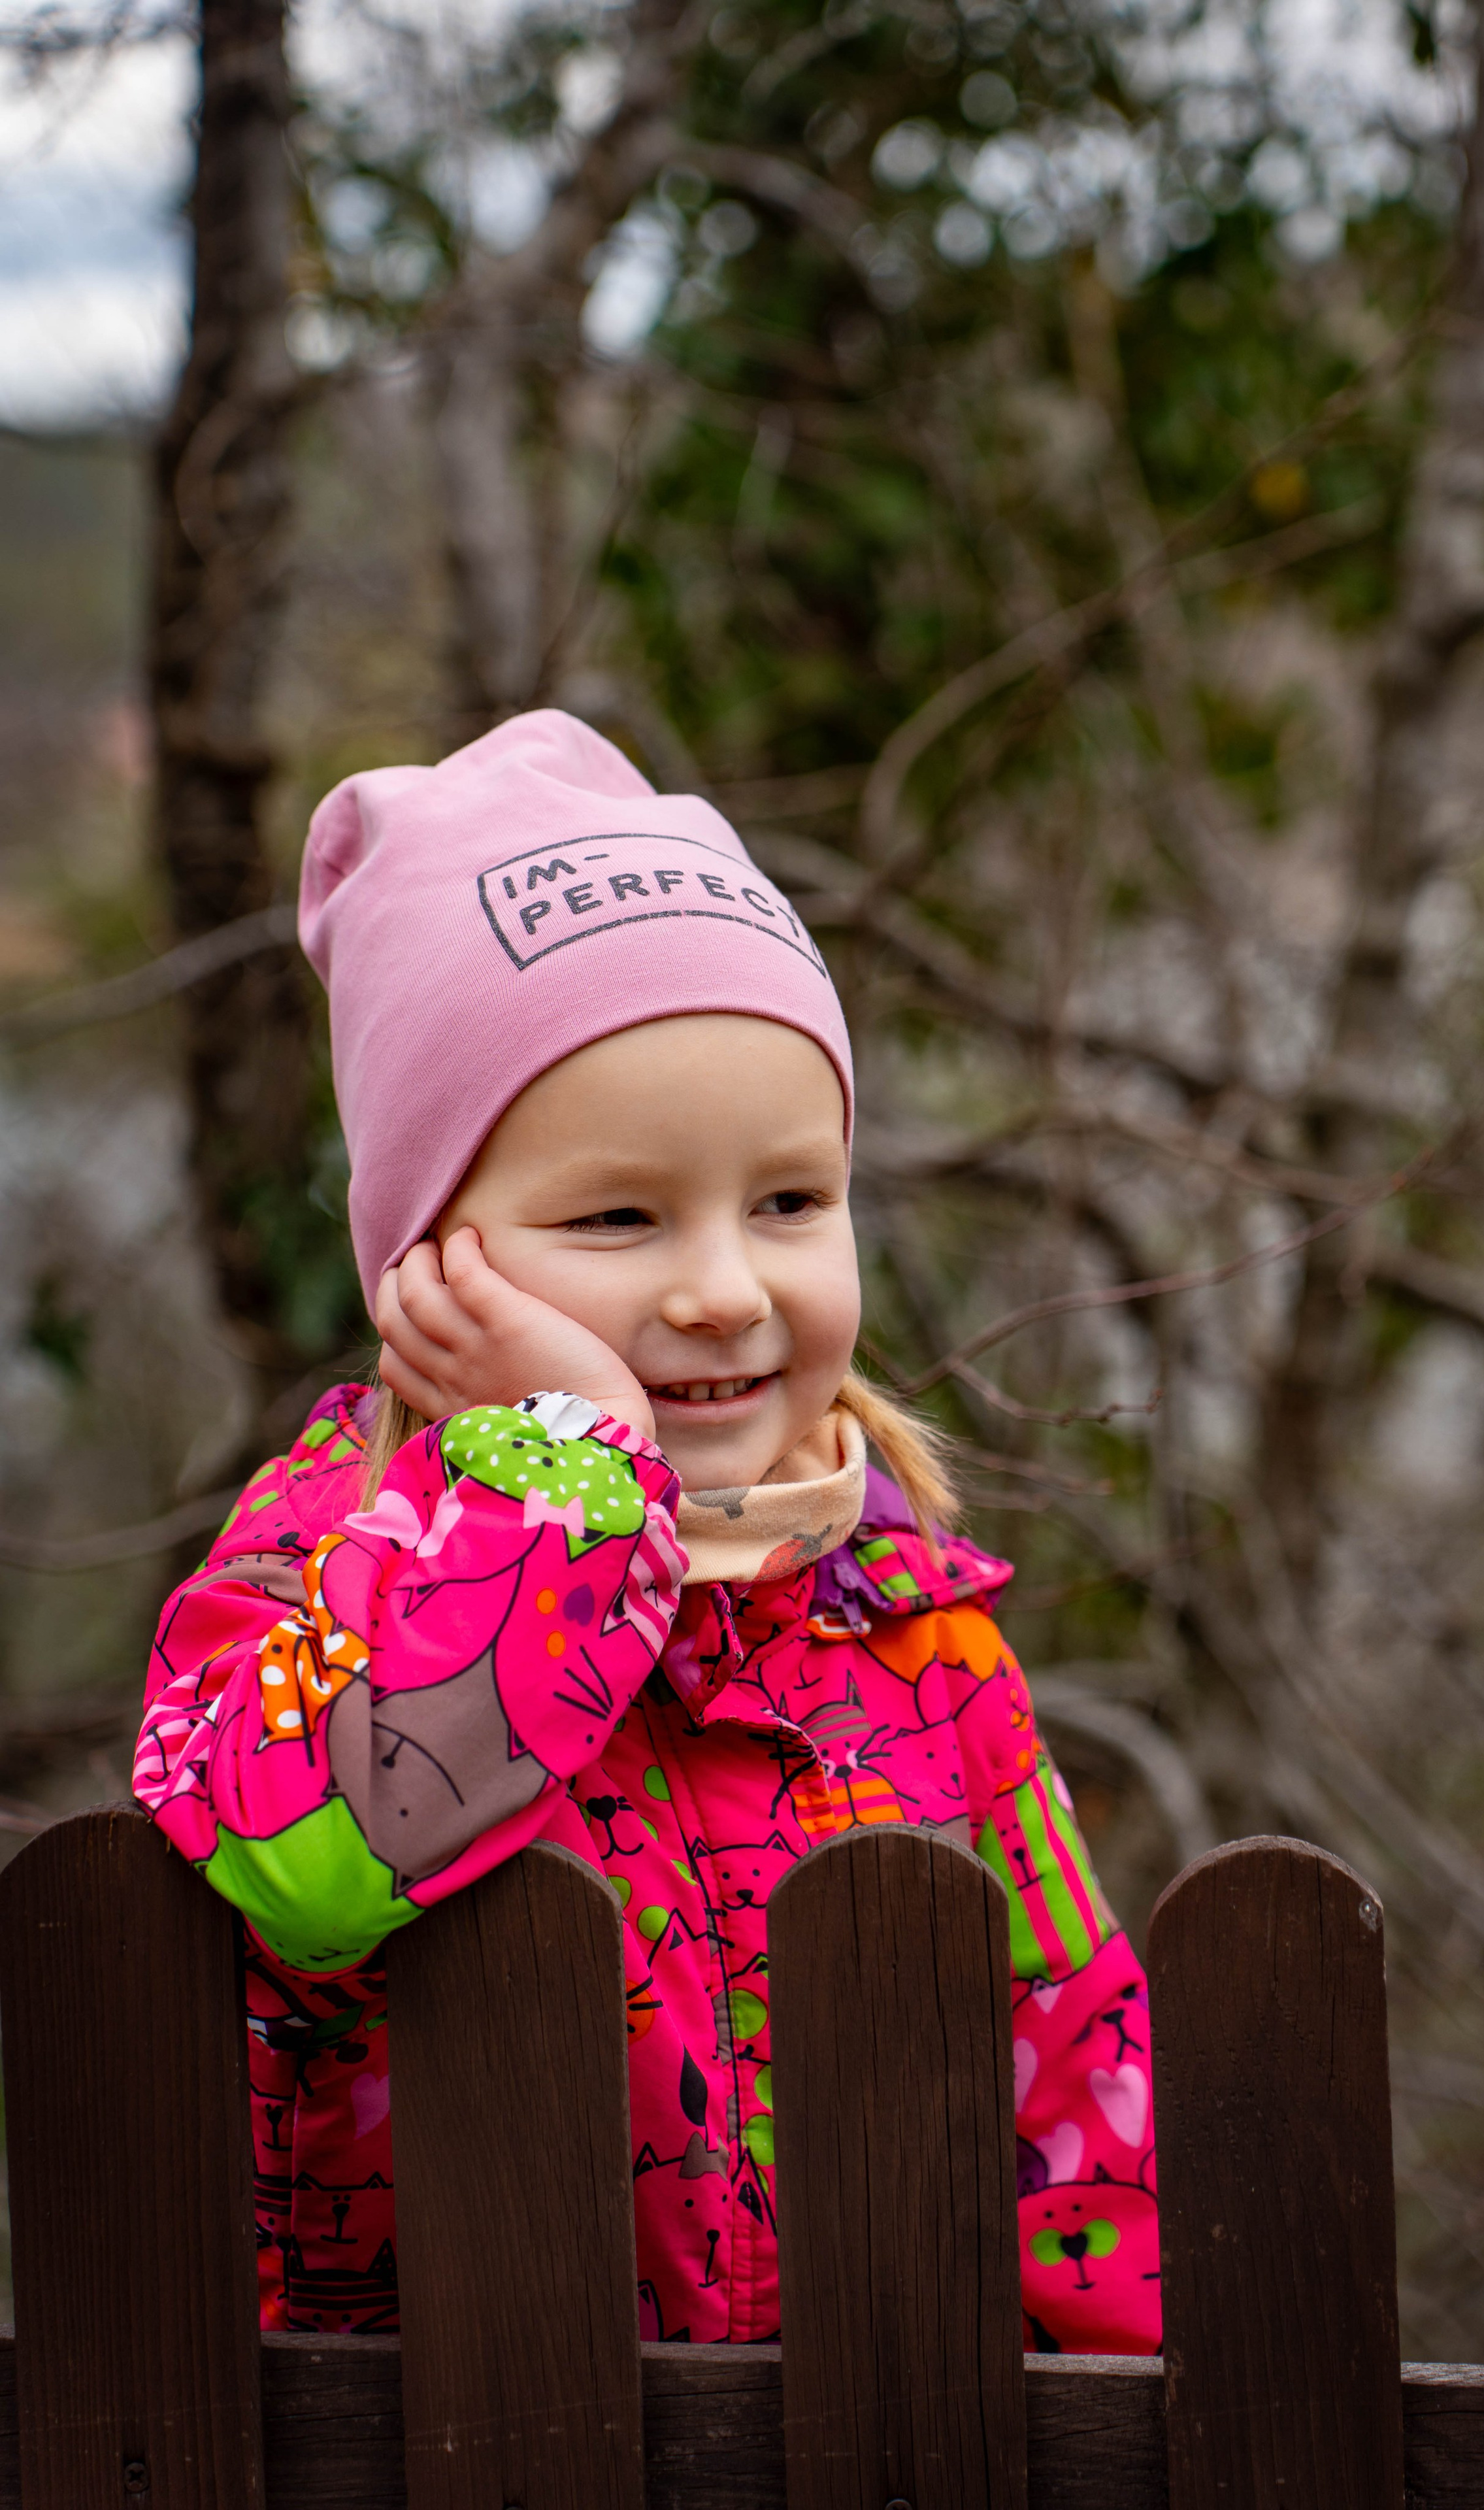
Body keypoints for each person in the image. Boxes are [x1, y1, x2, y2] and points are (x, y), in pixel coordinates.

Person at [135, 710, 1160, 2353]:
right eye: (617, 1215)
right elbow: (309, 1873)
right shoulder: (306, 1577)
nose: (721, 1288)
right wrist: (565, 1476)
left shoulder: (915, 1636)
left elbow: (1075, 2096)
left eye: (788, 1201)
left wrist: (1118, 2420)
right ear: (427, 1263)